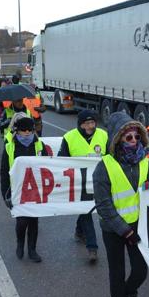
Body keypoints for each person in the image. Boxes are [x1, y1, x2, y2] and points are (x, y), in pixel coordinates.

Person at [92, 112, 149, 297]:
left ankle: (126, 295)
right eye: (128, 137)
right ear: (118, 139)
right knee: (117, 271)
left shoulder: (145, 160)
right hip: (114, 229)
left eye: (137, 136)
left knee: (140, 270)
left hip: (138, 224)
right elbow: (104, 206)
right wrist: (124, 231)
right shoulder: (104, 167)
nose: (134, 141)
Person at [58, 110, 108, 263]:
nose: (90, 126)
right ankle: (92, 247)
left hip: (99, 181)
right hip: (80, 182)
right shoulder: (69, 137)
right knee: (86, 210)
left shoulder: (103, 135)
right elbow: (61, 160)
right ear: (80, 124)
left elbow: (111, 155)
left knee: (91, 209)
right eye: (86, 123)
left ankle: (79, 231)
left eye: (92, 122)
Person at [0, 116, 52, 263]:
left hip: (35, 190)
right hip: (17, 189)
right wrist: (5, 194)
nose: (27, 133)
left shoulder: (40, 145)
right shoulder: (10, 147)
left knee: (34, 221)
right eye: (24, 130)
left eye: (30, 130)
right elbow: (4, 172)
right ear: (17, 131)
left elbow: (48, 167)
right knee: (22, 221)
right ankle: (20, 243)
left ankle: (32, 250)